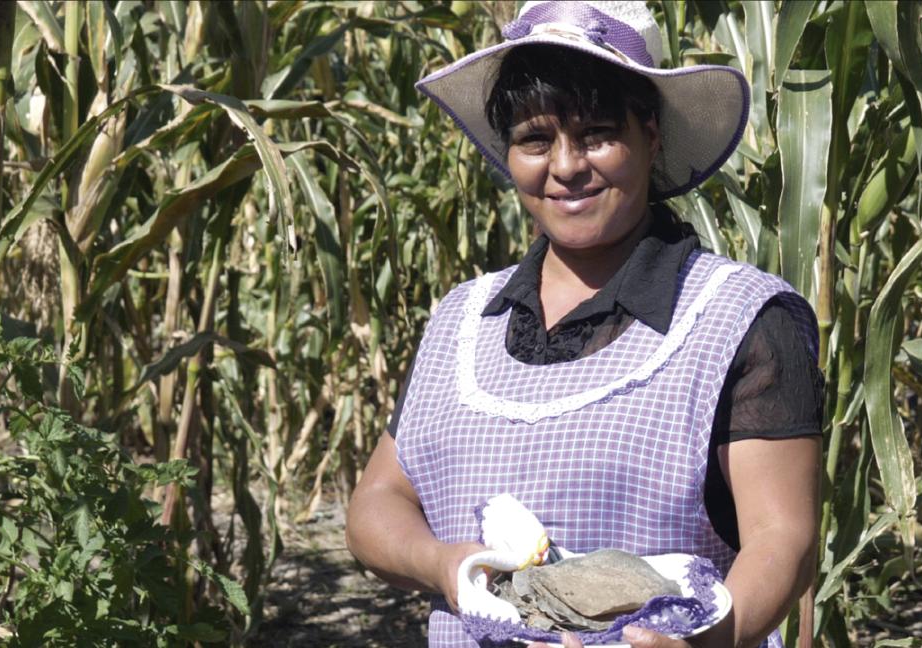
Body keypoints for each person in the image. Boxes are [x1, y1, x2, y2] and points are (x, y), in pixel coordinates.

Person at [345, 2, 823, 647]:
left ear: (649, 134)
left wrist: (705, 641)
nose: (566, 166)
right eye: (535, 141)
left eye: (597, 133)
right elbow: (378, 503)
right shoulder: (464, 318)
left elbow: (784, 536)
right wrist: (445, 564)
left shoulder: (738, 317)